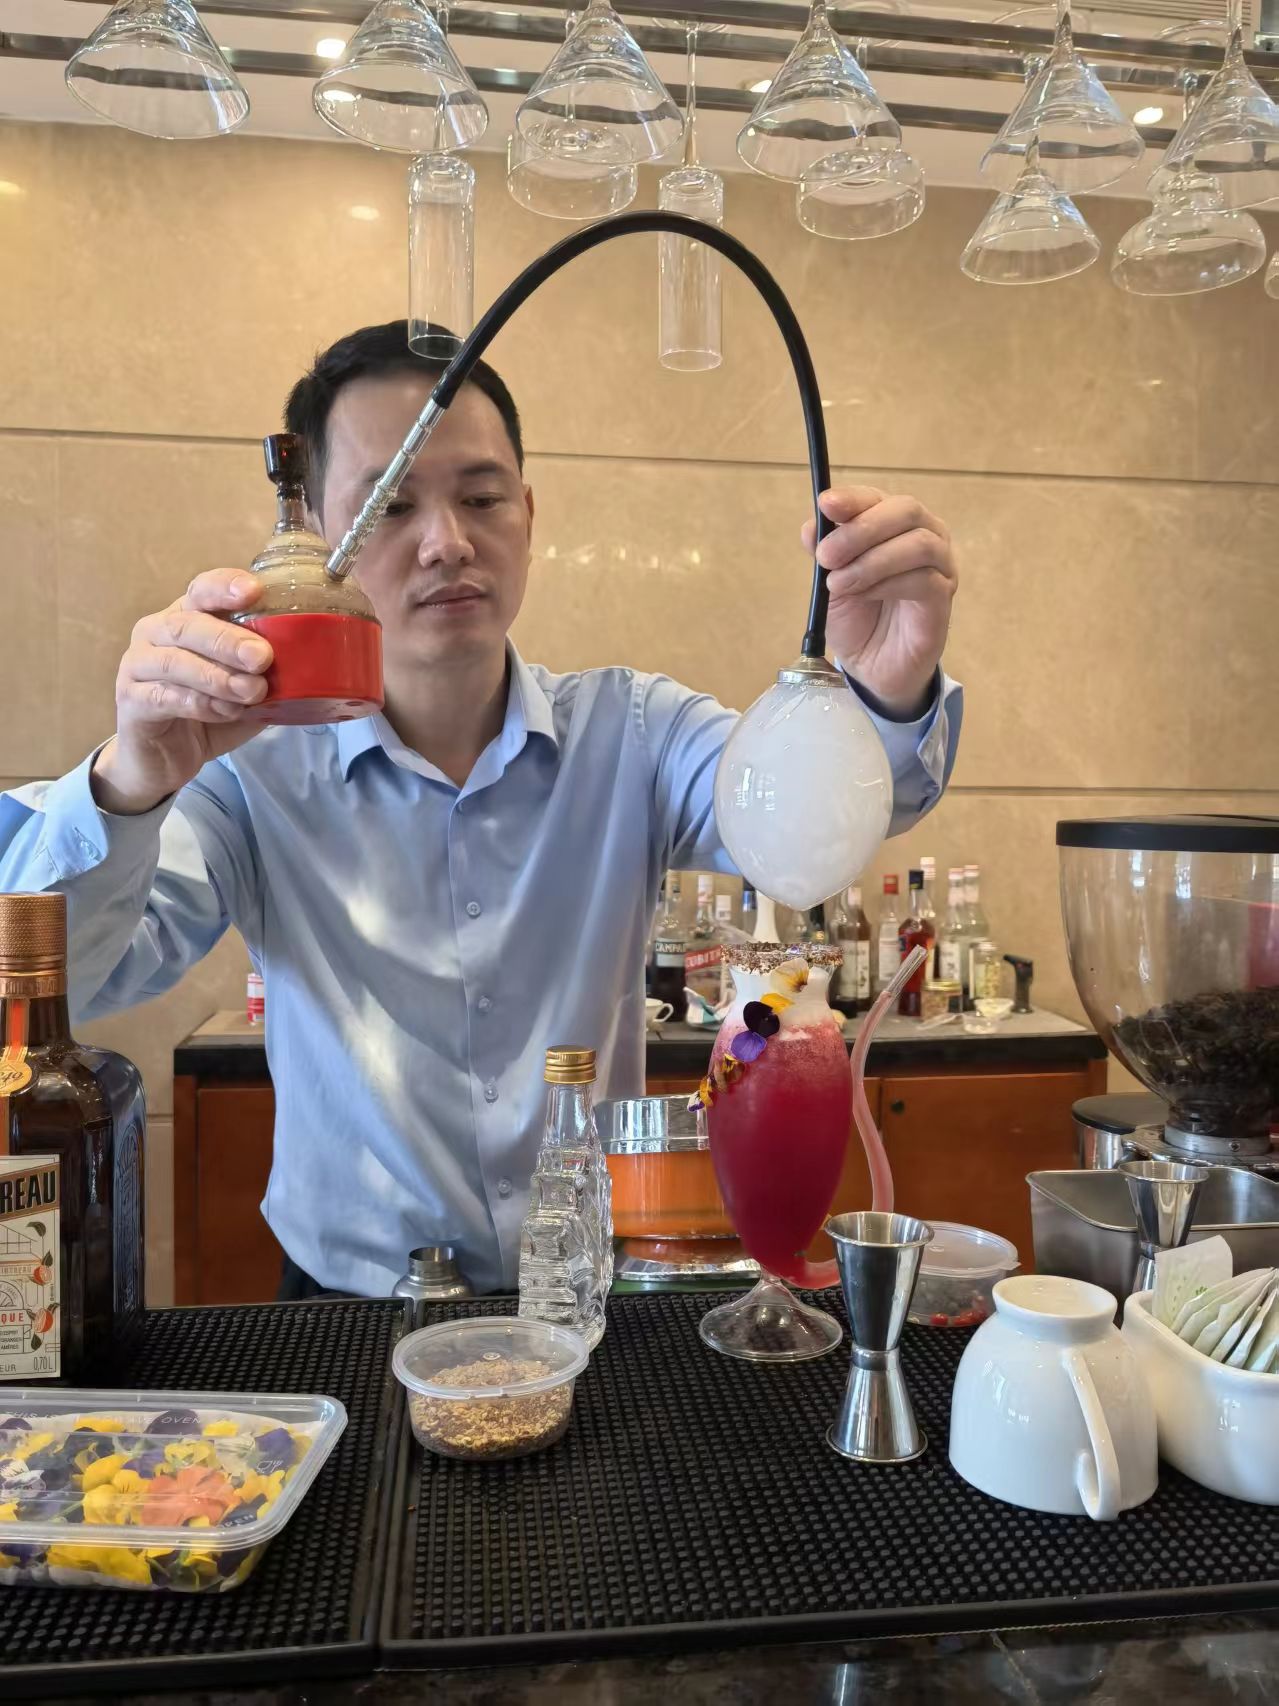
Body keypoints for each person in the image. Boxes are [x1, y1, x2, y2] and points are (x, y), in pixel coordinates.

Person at [0, 321, 963, 1299]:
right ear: (319, 539)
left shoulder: (633, 732)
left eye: (481, 496)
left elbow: (810, 832)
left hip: (588, 1296)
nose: (447, 543)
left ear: (528, 515)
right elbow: (62, 989)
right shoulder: (251, 767)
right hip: (349, 1312)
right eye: (390, 505)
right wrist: (130, 783)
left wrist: (878, 694)